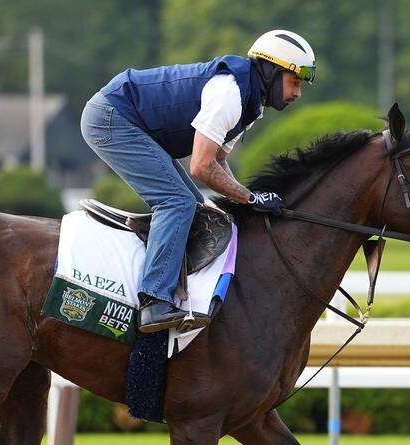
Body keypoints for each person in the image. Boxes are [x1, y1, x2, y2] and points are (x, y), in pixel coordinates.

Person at [82, 29, 317, 333]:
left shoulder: (250, 104)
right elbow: (201, 166)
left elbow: (218, 161)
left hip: (129, 120)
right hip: (111, 116)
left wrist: (248, 198)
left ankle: (167, 278)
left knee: (193, 206)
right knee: (177, 202)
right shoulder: (230, 93)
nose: (297, 93)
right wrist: (250, 199)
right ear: (271, 71)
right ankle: (154, 301)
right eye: (294, 81)